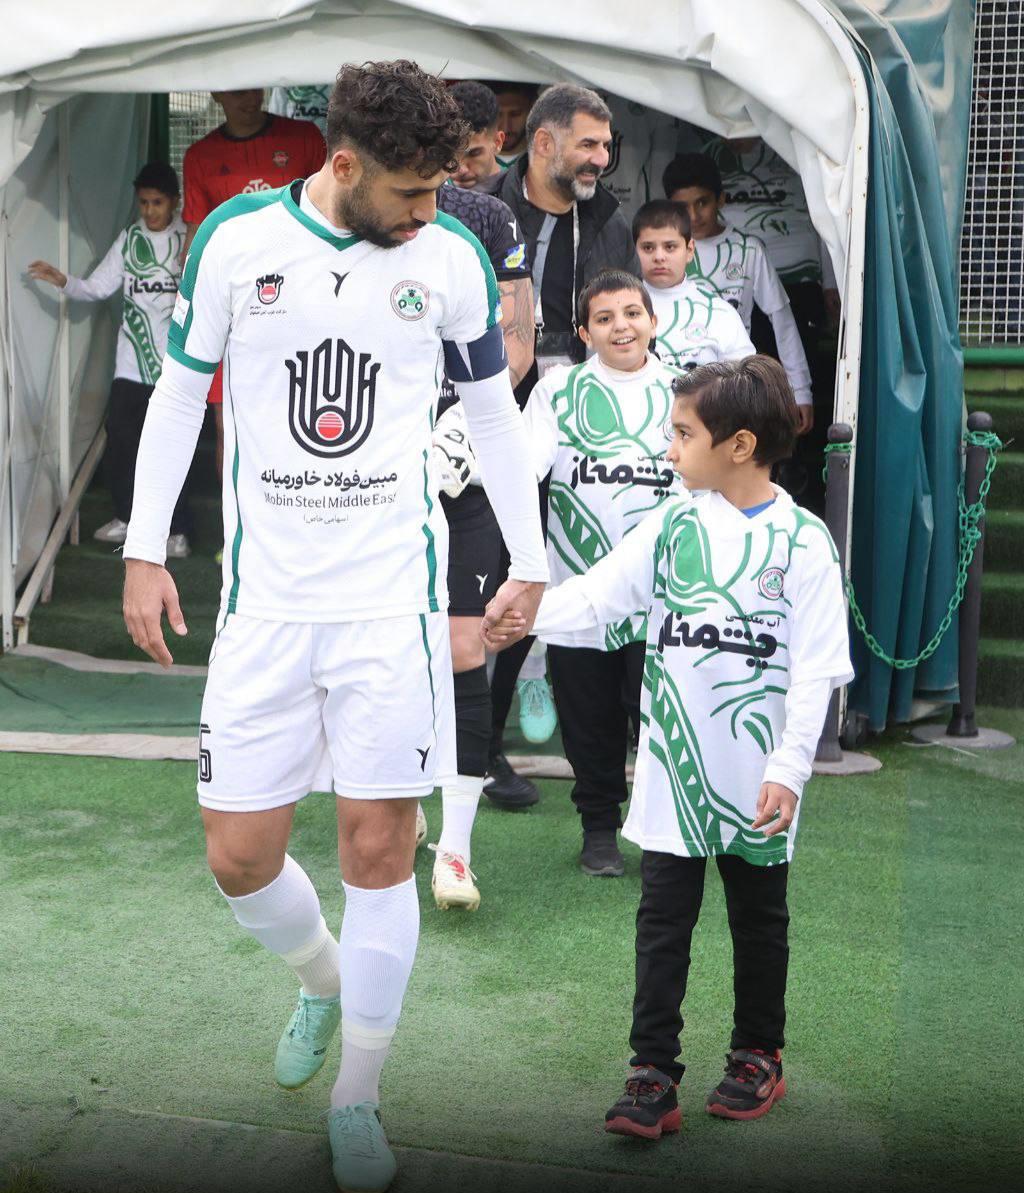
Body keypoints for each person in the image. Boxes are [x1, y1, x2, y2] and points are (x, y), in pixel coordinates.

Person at [121, 60, 547, 1193]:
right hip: (263, 606)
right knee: (238, 856)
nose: (430, 213)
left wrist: (531, 557)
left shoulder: (448, 257)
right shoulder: (237, 241)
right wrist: (143, 549)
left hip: (389, 608)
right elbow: (180, 393)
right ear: (345, 164)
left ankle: (358, 1094)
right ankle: (321, 978)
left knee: (379, 845)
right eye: (412, 193)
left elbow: (493, 416)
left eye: (442, 189)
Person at [486, 356, 852, 1137]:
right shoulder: (674, 523)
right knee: (662, 922)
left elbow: (818, 669)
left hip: (758, 777)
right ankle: (652, 1071)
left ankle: (758, 1053)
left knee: (759, 918)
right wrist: (525, 614)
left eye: (683, 433)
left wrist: (789, 769)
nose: (668, 447)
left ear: (740, 445)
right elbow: (599, 595)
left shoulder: (804, 543)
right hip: (674, 774)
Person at [482, 82, 641, 808]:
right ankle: (477, 749)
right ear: (542, 142)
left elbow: (620, 315)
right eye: (589, 144)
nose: (601, 160)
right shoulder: (482, 207)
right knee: (492, 575)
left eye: (606, 146)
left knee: (556, 572)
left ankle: (613, 765)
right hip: (487, 413)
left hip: (578, 423)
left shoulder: (608, 218)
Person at [521, 269, 682, 878]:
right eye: (605, 318)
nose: (622, 327)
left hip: (663, 594)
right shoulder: (557, 392)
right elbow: (528, 466)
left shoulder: (685, 391)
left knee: (658, 719)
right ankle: (598, 829)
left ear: (653, 322)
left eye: (632, 314)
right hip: (577, 589)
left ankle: (663, 834)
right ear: (584, 332)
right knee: (588, 719)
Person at [427, 179, 534, 912]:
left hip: (466, 467)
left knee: (464, 648)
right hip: (373, 475)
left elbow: (517, 340)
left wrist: (460, 424)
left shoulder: (486, 216)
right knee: (387, 648)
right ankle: (401, 799)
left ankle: (455, 848)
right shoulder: (358, 206)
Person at [27, 162, 192, 557]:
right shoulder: (130, 238)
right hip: (130, 366)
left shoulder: (188, 237)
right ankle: (126, 518)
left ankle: (177, 531)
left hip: (173, 368)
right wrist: (63, 280)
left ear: (175, 201)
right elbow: (99, 287)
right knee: (121, 442)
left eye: (157, 202)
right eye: (144, 202)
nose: (149, 210)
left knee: (171, 449)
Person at [181, 89, 326, 483]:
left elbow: (333, 217)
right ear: (216, 93)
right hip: (232, 315)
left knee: (297, 420)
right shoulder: (200, 156)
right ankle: (232, 521)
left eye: (253, 87)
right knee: (228, 426)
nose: (248, 97)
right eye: (236, 90)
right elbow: (193, 240)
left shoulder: (304, 138)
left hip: (300, 312)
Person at [662, 153, 814, 434]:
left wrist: (800, 390)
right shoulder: (662, 253)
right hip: (672, 387)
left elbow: (782, 320)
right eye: (683, 207)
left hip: (732, 389)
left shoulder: (748, 250)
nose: (693, 216)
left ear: (721, 199)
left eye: (702, 203)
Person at [633, 200, 755, 369]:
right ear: (633, 251)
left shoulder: (718, 312)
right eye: (648, 248)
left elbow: (747, 380)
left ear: (689, 250)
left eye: (670, 247)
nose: (659, 257)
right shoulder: (617, 311)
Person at [449, 81, 505, 190]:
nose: (461, 169)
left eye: (474, 153)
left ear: (498, 142)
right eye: (449, 155)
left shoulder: (522, 193)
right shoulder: (429, 193)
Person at [489, 81, 537, 170]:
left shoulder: (547, 164)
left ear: (533, 107)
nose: (505, 128)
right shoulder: (466, 165)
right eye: (497, 115)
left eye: (515, 114)